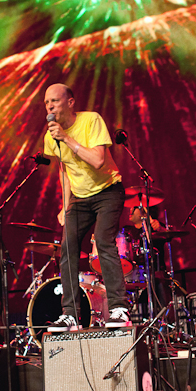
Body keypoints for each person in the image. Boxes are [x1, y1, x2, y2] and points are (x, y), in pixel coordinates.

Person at [42, 84, 131, 331]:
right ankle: (70, 314)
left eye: (55, 101)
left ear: (70, 102)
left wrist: (67, 138)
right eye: (47, 102)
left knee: (103, 241)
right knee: (67, 247)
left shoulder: (91, 121)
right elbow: (65, 169)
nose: (49, 106)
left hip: (108, 191)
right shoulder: (50, 137)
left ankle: (119, 309)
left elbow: (98, 160)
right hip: (80, 199)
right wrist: (65, 204)